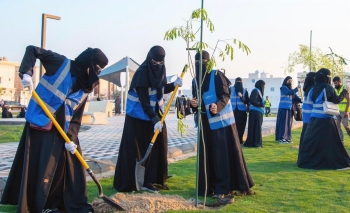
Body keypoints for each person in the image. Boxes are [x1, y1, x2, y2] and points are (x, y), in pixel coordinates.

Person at [0, 45, 108, 213]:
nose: (95, 75)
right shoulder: (60, 63)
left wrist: (71, 139)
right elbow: (32, 49)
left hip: (64, 131)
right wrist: (26, 72)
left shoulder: (86, 85)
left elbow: (76, 116)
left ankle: (62, 202)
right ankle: (42, 205)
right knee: (44, 165)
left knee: (68, 166)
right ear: (88, 64)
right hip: (42, 124)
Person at [113, 46, 183, 192]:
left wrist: (174, 85)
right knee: (139, 149)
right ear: (149, 58)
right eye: (155, 62)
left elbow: (161, 88)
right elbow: (144, 102)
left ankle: (152, 178)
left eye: (160, 63)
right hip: (138, 118)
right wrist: (155, 119)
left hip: (153, 116)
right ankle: (136, 181)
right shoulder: (142, 73)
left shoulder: (161, 70)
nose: (157, 65)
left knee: (157, 147)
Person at [190, 50, 254, 200]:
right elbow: (196, 100)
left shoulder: (217, 75)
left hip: (222, 126)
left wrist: (217, 106)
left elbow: (225, 95)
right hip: (205, 126)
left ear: (209, 62)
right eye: (197, 63)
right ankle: (208, 186)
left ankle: (223, 187)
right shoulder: (195, 80)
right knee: (207, 156)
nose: (200, 66)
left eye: (203, 63)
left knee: (221, 157)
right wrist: (194, 104)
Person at [298, 68, 350, 169]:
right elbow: (336, 99)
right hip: (326, 119)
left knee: (314, 142)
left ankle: (310, 161)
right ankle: (337, 162)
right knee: (333, 143)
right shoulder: (327, 87)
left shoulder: (313, 88)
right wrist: (344, 91)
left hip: (314, 119)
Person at [275, 76, 302, 143]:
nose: (290, 82)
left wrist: (303, 100)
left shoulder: (292, 91)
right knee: (283, 124)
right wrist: (296, 89)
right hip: (283, 108)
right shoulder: (283, 88)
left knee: (288, 124)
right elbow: (287, 92)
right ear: (285, 81)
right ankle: (282, 138)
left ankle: (287, 138)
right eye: (289, 80)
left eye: (291, 81)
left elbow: (296, 98)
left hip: (289, 109)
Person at [298, 72, 316, 152]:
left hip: (306, 117)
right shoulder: (313, 90)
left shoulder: (307, 89)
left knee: (305, 136)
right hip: (311, 117)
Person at [244, 80, 265, 148]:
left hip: (257, 112)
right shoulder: (255, 90)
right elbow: (252, 100)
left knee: (255, 127)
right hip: (256, 112)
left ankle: (253, 142)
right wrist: (260, 104)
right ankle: (256, 143)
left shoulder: (257, 91)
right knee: (256, 128)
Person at [230, 77, 249, 144]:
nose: (238, 83)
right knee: (233, 126)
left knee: (241, 126)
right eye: (237, 81)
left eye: (239, 81)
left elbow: (247, 101)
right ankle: (233, 140)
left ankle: (240, 140)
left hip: (242, 111)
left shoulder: (244, 91)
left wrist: (241, 96)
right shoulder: (230, 89)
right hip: (232, 111)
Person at [333, 76, 350, 144]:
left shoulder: (345, 89)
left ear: (340, 82)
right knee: (338, 126)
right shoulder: (334, 90)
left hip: (344, 111)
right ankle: (341, 141)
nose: (335, 84)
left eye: (336, 83)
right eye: (334, 83)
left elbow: (348, 100)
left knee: (346, 126)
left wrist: (346, 111)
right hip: (337, 111)